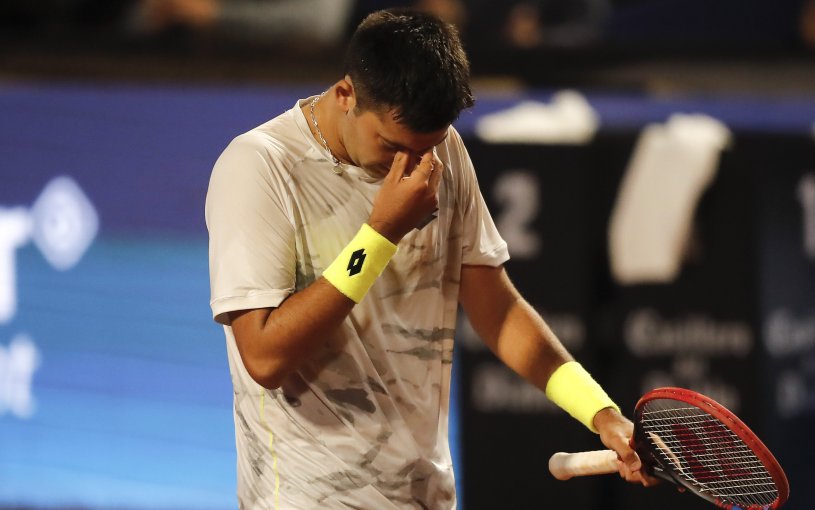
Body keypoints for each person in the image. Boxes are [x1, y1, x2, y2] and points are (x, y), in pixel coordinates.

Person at [206, 8, 653, 508]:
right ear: (346, 94)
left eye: (428, 147)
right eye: (393, 145)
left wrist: (602, 414)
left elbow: (498, 311)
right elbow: (265, 357)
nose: (414, 165)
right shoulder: (258, 167)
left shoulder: (444, 154)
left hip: (425, 494)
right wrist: (382, 232)